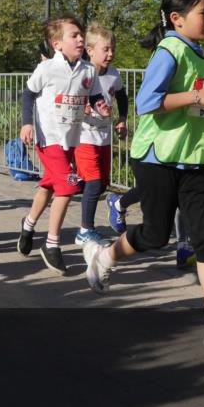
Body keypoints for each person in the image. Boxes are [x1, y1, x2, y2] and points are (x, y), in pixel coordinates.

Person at [81, 0, 204, 357]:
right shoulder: (170, 50)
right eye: (203, 13)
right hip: (158, 159)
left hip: (193, 159)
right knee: (156, 235)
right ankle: (106, 256)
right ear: (177, 18)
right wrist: (197, 95)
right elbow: (147, 101)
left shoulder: (200, 54)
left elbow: (199, 108)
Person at [16, 16, 108, 274]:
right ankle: (52, 244)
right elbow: (28, 93)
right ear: (57, 44)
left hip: (71, 139)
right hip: (48, 139)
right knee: (68, 185)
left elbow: (96, 95)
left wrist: (101, 106)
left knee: (49, 184)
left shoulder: (88, 70)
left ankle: (28, 225)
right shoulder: (46, 69)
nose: (80, 39)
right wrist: (27, 123)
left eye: (81, 35)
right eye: (74, 35)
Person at [74, 24, 127, 246]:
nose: (111, 54)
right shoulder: (82, 72)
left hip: (104, 137)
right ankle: (85, 231)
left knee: (101, 184)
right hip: (84, 137)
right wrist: (82, 108)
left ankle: (108, 200)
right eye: (106, 49)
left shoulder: (114, 74)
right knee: (95, 183)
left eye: (112, 48)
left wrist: (122, 119)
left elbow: (122, 97)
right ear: (90, 50)